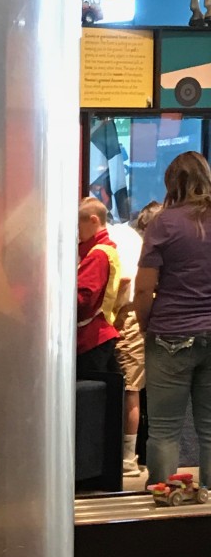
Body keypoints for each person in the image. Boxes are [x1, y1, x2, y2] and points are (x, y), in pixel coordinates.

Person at [134, 152, 211, 489]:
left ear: (171, 182)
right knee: (209, 428)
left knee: (165, 429)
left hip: (170, 335)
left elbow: (143, 288)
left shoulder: (163, 223)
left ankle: (164, 505)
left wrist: (145, 324)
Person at [108, 202, 162, 475]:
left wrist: (118, 316)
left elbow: (128, 282)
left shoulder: (124, 239)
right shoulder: (133, 241)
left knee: (130, 387)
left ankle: (128, 458)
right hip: (139, 316)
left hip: (128, 316)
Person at [76, 197, 122, 378]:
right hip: (100, 334)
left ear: (93, 220)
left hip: (90, 338)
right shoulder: (106, 250)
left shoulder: (97, 254)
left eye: (79, 226)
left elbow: (83, 299)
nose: (78, 233)